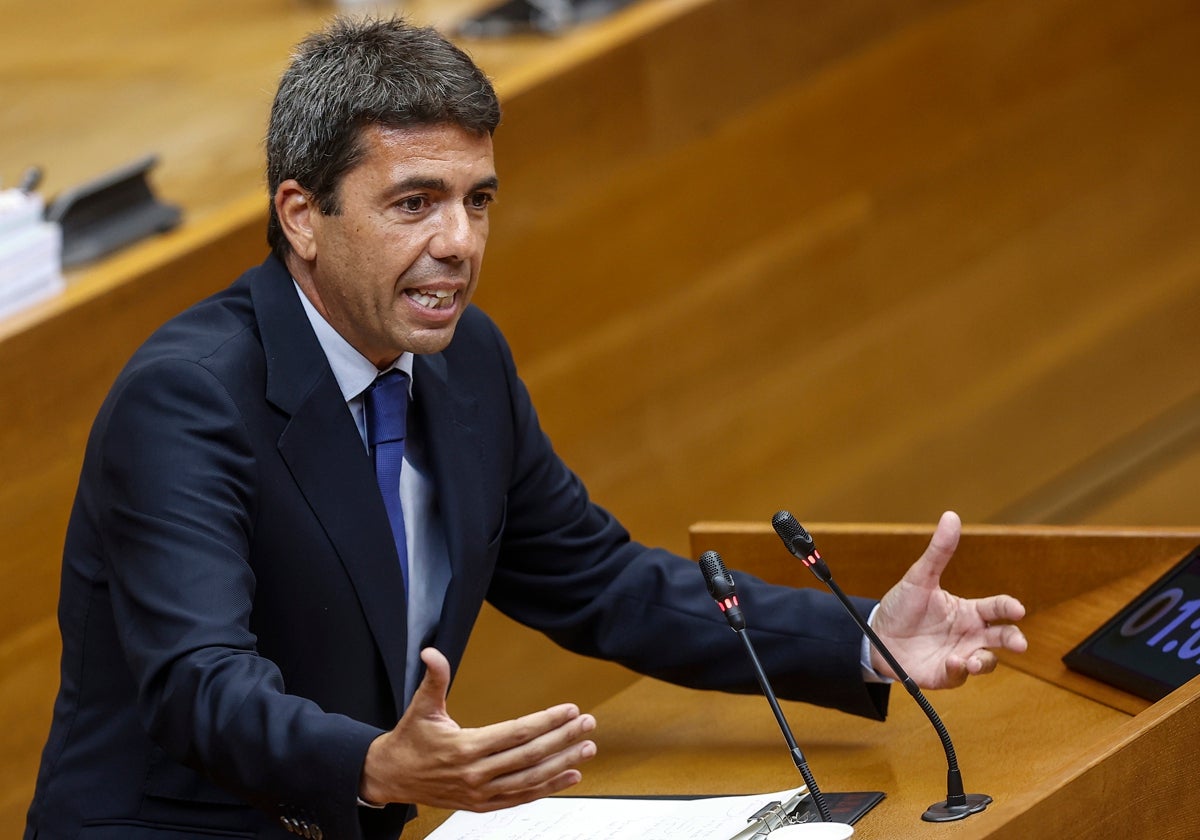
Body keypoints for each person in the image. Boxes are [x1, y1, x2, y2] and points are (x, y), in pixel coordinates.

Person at [24, 16, 1027, 840]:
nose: (457, 243)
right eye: (415, 203)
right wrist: (376, 764)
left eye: (477, 201)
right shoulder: (189, 399)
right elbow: (200, 687)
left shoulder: (465, 366)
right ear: (301, 215)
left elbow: (595, 580)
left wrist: (858, 640)